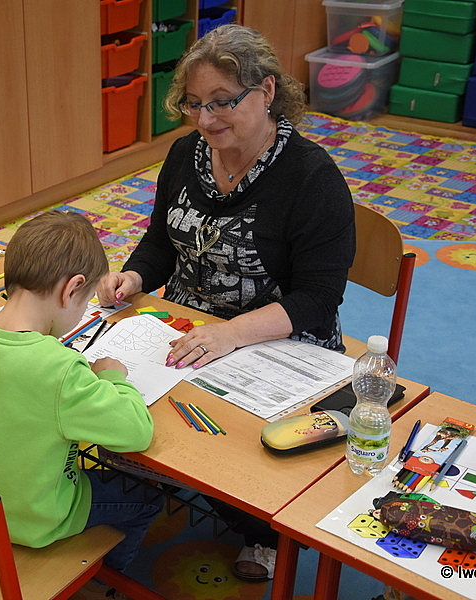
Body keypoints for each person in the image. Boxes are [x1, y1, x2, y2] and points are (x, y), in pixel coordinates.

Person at [97, 24, 356, 582]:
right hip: (189, 326)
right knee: (115, 400)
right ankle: (161, 483)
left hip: (277, 338)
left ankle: (261, 530)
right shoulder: (186, 154)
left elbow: (318, 299)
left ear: (267, 91)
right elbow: (162, 241)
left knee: (239, 445)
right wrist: (133, 276)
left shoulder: (311, 177)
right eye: (194, 104)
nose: (206, 119)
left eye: (222, 101)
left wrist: (232, 333)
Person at [0, 210, 163, 599]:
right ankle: (100, 587)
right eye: (86, 301)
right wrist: (112, 376)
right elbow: (136, 431)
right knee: (147, 498)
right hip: (31, 521)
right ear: (71, 289)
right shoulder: (61, 369)